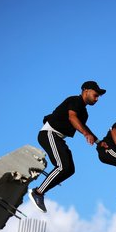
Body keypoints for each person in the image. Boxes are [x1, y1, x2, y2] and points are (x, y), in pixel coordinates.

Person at [29, 81, 106, 213]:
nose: (97, 99)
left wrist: (99, 141)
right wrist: (86, 134)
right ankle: (38, 192)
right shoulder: (75, 100)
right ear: (86, 90)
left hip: (57, 138)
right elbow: (72, 117)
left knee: (69, 169)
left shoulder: (84, 113)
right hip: (49, 134)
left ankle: (40, 191)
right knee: (62, 166)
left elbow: (83, 126)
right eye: (95, 95)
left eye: (98, 96)